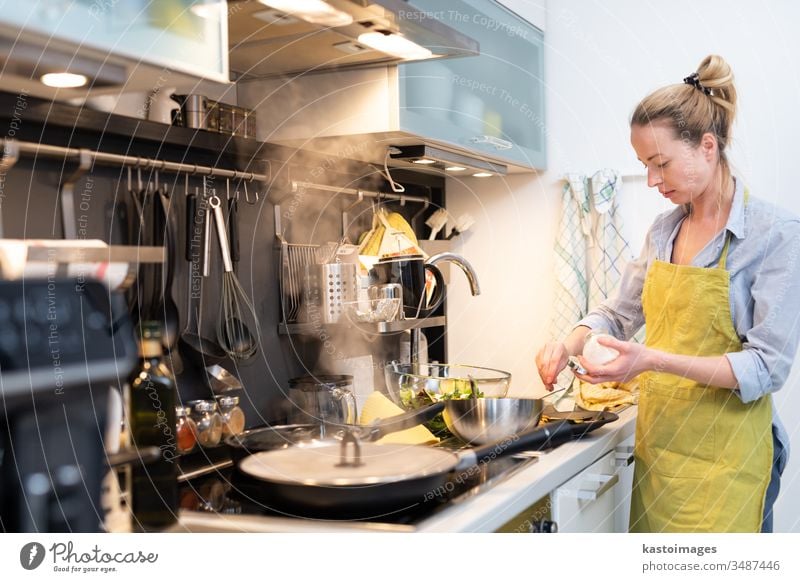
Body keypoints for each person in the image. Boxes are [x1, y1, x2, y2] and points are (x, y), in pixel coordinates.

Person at [535, 55, 798, 533]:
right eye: (644, 166)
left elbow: (765, 368)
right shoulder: (663, 231)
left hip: (730, 462)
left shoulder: (774, 234)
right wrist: (567, 342)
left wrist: (651, 360)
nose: (653, 181)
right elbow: (618, 313)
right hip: (662, 459)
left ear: (708, 146)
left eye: (661, 164)